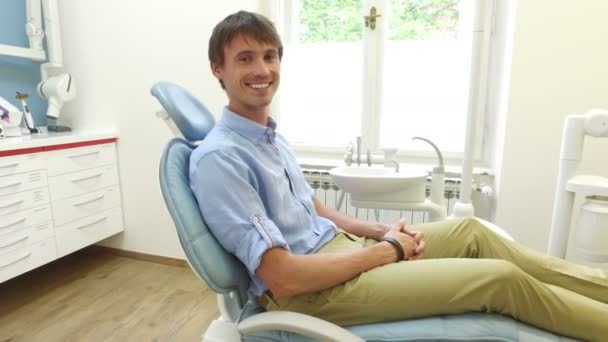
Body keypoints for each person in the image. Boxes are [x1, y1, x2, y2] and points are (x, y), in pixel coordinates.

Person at [189, 10, 608, 341]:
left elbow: (309, 205)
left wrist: (377, 228)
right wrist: (389, 250)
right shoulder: (220, 158)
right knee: (499, 281)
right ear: (217, 70)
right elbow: (283, 276)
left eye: (269, 56)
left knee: (471, 232)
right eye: (245, 58)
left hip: (336, 251)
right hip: (309, 292)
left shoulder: (271, 138)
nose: (262, 69)